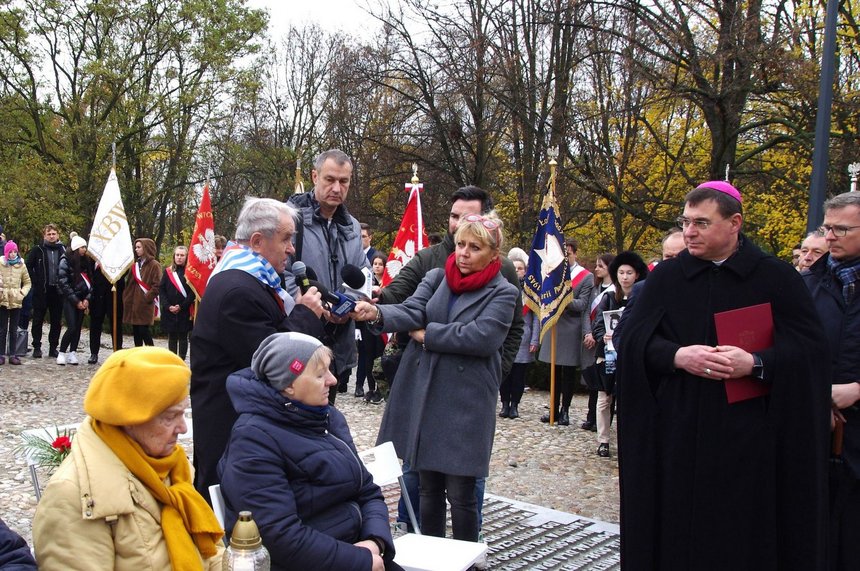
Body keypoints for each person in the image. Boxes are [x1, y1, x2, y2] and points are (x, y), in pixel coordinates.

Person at [616, 181, 829, 570]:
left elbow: (809, 351)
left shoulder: (776, 277)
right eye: (685, 222)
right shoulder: (667, 278)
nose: (689, 232)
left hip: (749, 438)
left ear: (734, 223)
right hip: (676, 433)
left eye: (701, 223)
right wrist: (678, 355)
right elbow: (632, 340)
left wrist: (756, 362)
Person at [354, 212, 518, 542]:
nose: (464, 253)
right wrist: (378, 312)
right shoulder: (437, 277)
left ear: (493, 253)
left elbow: (482, 337)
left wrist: (429, 336)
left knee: (461, 492)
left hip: (466, 401)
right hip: (426, 392)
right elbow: (413, 309)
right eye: (461, 244)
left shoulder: (503, 292)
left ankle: (464, 556)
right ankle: (433, 556)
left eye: (474, 247)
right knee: (427, 486)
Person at [219, 332, 399, 571]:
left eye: (329, 370)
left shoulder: (328, 419)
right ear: (288, 384)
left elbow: (368, 491)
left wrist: (375, 541)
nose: (332, 380)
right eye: (320, 374)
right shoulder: (253, 439)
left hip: (356, 551)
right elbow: (280, 536)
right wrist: (360, 560)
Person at [33, 347, 225, 570]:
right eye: (170, 417)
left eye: (182, 414)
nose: (182, 428)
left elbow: (209, 554)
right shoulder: (72, 496)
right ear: (129, 419)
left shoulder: (172, 466)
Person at [190, 197, 324, 501]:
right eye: (286, 238)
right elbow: (273, 363)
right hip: (230, 430)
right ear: (257, 241)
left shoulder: (252, 279)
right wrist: (305, 315)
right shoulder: (237, 290)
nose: (292, 248)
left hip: (244, 426)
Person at [803, 191, 860, 570]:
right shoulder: (808, 284)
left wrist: (858, 390)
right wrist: (813, 396)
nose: (830, 237)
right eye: (827, 228)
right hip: (817, 432)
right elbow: (791, 350)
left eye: (841, 229)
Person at [286, 149, 369, 402]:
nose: (336, 188)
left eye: (343, 181)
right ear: (314, 176)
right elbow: (280, 271)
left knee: (326, 413)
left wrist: (346, 306)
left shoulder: (353, 227)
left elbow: (362, 274)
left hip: (337, 340)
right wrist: (312, 304)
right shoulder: (289, 219)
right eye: (330, 179)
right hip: (300, 335)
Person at [591, 251, 647, 457]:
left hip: (630, 355)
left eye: (629, 273)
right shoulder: (608, 298)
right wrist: (603, 336)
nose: (625, 277)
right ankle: (603, 440)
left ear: (637, 275)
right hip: (607, 354)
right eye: (621, 272)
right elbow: (597, 324)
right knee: (604, 399)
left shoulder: (643, 297)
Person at [537, 237, 593, 425]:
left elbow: (582, 304)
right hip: (554, 325)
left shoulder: (585, 276)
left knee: (568, 373)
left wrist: (563, 298)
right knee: (553, 371)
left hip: (571, 327)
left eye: (568, 253)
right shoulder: (551, 273)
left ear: (575, 253)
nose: (565, 257)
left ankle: (565, 410)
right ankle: (553, 408)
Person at [498, 247, 538, 420]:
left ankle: (515, 404)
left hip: (523, 338)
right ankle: (504, 403)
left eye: (520, 268)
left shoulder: (530, 292)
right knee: (504, 373)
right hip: (504, 337)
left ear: (525, 271)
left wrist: (535, 339)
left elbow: (536, 318)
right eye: (514, 268)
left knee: (518, 375)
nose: (517, 271)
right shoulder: (501, 287)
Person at [581, 253, 616, 431]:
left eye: (601, 266)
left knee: (606, 382)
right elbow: (587, 311)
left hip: (607, 341)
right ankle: (591, 416)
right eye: (596, 265)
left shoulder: (615, 290)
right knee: (593, 380)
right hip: (592, 337)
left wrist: (599, 335)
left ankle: (602, 422)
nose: (596, 269)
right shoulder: (595, 288)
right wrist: (589, 332)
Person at [26, 223, 65, 358]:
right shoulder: (37, 250)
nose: (51, 236)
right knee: (38, 319)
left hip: (57, 290)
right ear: (44, 236)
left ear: (58, 235)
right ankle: (37, 346)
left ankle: (53, 347)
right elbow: (28, 266)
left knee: (56, 321)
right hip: (42, 290)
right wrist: (35, 281)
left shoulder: (63, 250)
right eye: (49, 234)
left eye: (54, 234)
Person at [356, 252, 388, 404]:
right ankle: (370, 388)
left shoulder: (389, 282)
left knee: (379, 356)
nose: (377, 266)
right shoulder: (368, 281)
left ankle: (380, 389)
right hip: (367, 325)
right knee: (368, 355)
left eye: (380, 264)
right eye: (375, 264)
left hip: (382, 324)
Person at [56, 233, 92, 365]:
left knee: (77, 328)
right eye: (82, 247)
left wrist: (87, 299)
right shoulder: (65, 261)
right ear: (76, 248)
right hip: (70, 299)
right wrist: (76, 301)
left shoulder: (86, 262)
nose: (84, 250)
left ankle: (73, 352)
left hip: (83, 298)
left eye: (85, 247)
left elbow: (91, 282)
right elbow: (63, 282)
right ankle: (62, 352)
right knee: (71, 327)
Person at [122, 238, 161, 346]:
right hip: (133, 304)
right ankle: (138, 353)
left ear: (146, 248)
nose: (136, 249)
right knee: (136, 333)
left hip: (145, 304)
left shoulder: (154, 265)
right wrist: (126, 297)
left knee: (143, 331)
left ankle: (152, 353)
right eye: (136, 247)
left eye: (139, 247)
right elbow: (129, 284)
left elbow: (157, 285)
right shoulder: (135, 265)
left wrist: (147, 297)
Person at [160, 245, 193, 360]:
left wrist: (182, 306)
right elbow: (162, 289)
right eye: (177, 255)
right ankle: (172, 361)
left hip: (184, 310)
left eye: (182, 255)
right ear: (174, 256)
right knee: (172, 337)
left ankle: (181, 361)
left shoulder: (190, 272)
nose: (179, 257)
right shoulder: (168, 271)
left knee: (183, 337)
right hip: (169, 310)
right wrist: (168, 306)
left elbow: (192, 293)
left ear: (186, 257)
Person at [0, 241, 31, 365]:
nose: (13, 254)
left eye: (15, 252)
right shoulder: (1, 264)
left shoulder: (21, 265)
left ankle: (13, 354)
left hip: (16, 300)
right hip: (2, 299)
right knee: (2, 328)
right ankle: (1, 354)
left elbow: (27, 282)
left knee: (13, 329)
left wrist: (22, 293)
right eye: (10, 252)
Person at [87, 265, 126, 364]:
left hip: (114, 292)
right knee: (95, 324)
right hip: (97, 292)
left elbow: (125, 268)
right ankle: (94, 353)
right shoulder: (93, 256)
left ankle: (117, 352)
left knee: (116, 324)